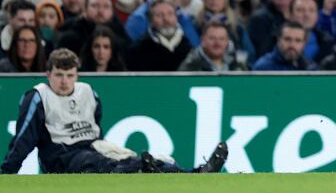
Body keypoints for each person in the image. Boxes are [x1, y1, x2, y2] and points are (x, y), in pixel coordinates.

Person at [1, 48, 227, 174]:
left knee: (130, 157)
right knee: (103, 164)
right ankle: (145, 172)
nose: (64, 81)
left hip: (91, 146)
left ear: (77, 75)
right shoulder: (38, 96)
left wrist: (97, 144)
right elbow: (23, 140)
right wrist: (7, 173)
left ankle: (195, 173)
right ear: (48, 74)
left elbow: (95, 123)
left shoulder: (88, 92)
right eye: (58, 75)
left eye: (69, 75)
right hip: (62, 156)